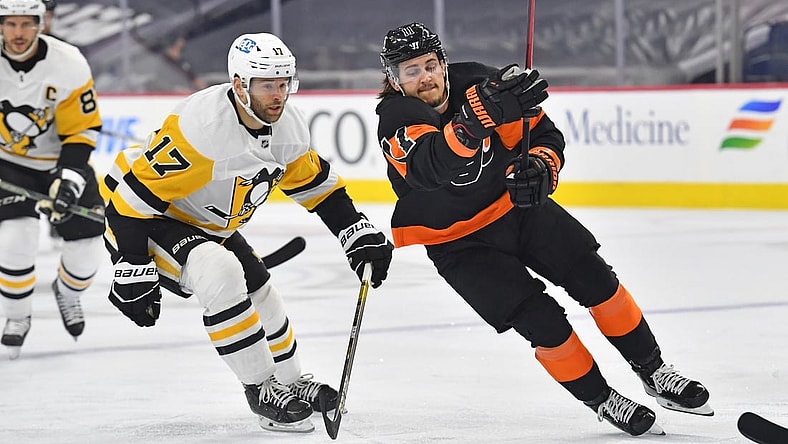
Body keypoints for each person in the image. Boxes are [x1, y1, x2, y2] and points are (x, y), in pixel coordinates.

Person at [375, 22, 712, 437]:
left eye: (430, 64)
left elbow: (546, 137)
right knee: (543, 322)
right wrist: (473, 121)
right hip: (458, 243)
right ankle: (602, 399)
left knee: (597, 279)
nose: (425, 77)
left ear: (444, 62)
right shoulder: (396, 117)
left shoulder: (481, 82)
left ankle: (655, 371)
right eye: (411, 71)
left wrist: (539, 166)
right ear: (393, 79)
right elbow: (431, 168)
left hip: (516, 209)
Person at [101, 32, 393, 433]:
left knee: (261, 292)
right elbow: (130, 204)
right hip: (148, 219)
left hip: (208, 223)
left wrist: (354, 230)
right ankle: (260, 388)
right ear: (240, 84)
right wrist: (131, 264)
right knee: (219, 270)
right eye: (266, 85)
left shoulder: (288, 126)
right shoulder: (202, 130)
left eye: (283, 83)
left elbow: (315, 185)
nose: (278, 95)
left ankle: (292, 383)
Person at [0, 0, 105, 358]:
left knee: (87, 249)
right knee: (16, 236)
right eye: (9, 24)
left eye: (26, 24)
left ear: (40, 23)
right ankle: (16, 316)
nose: (17, 33)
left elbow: (81, 130)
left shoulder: (68, 62)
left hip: (60, 161)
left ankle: (68, 293)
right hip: (7, 163)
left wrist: (71, 179)